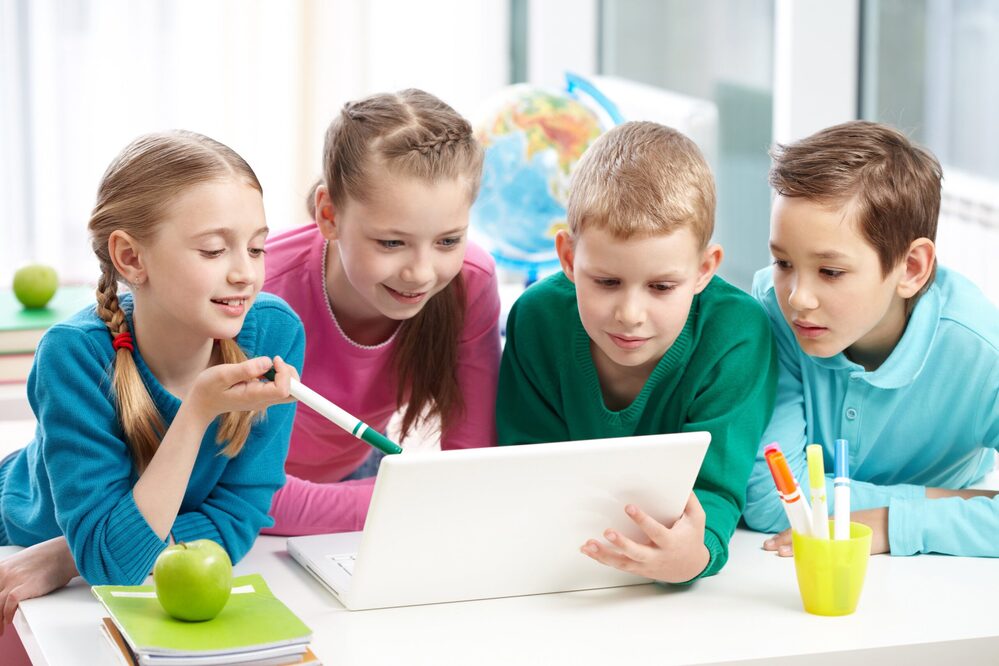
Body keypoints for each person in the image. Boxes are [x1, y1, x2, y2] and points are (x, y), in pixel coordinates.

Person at [0, 130, 303, 629]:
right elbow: (114, 568)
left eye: (256, 248)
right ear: (131, 258)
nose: (245, 274)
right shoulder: (74, 355)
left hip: (73, 548)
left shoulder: (275, 332)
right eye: (212, 251)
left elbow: (237, 519)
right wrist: (198, 411)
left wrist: (69, 556)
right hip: (18, 530)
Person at [496, 121, 777, 584]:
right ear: (568, 258)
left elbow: (716, 489)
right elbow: (526, 466)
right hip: (555, 572)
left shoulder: (737, 334)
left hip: (675, 587)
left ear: (705, 269)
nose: (630, 314)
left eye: (662, 287)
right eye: (606, 282)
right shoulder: (537, 319)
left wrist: (697, 555)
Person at [742, 120, 999, 557]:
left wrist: (889, 522)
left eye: (831, 272)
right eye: (783, 262)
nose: (798, 297)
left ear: (912, 269)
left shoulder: (980, 351)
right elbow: (772, 501)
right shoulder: (771, 309)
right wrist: (959, 505)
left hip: (938, 580)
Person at [262, 89, 501, 534]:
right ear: (329, 214)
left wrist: (418, 494)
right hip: (239, 501)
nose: (421, 273)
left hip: (359, 484)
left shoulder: (472, 282)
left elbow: (471, 466)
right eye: (392, 243)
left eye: (448, 240)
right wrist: (414, 497)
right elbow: (244, 494)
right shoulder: (259, 294)